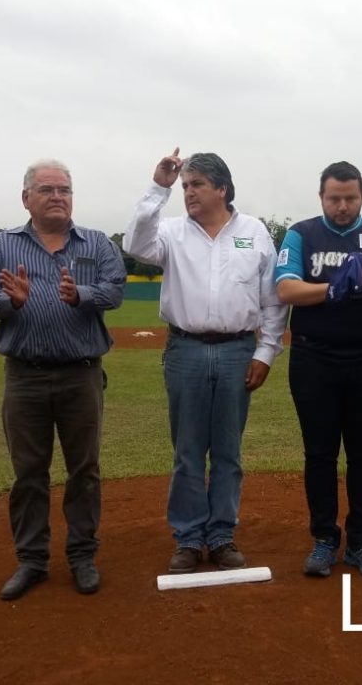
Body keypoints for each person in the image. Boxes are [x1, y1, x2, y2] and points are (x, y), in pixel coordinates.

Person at [122, 148, 287, 574]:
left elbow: (272, 300)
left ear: (222, 189)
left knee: (229, 452)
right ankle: (190, 538)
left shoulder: (254, 231)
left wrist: (265, 352)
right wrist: (158, 186)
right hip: (186, 349)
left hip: (237, 351)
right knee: (188, 451)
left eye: (196, 185)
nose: (188, 193)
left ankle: (222, 535)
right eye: (184, 186)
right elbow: (134, 243)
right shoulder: (171, 232)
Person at [0, 159, 127, 600]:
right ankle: (32, 561)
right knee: (28, 474)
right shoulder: (3, 245)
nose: (58, 196)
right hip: (25, 377)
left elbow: (116, 289)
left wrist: (83, 295)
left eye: (65, 189)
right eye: (47, 189)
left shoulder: (95, 243)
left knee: (85, 471)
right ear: (27, 198)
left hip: (81, 375)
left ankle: (82, 556)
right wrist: (9, 302)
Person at [275, 161, 362, 578]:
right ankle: (323, 539)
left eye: (350, 198)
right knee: (319, 454)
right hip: (313, 359)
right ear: (321, 198)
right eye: (334, 198)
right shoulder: (301, 233)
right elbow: (285, 288)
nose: (343, 206)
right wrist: (334, 288)